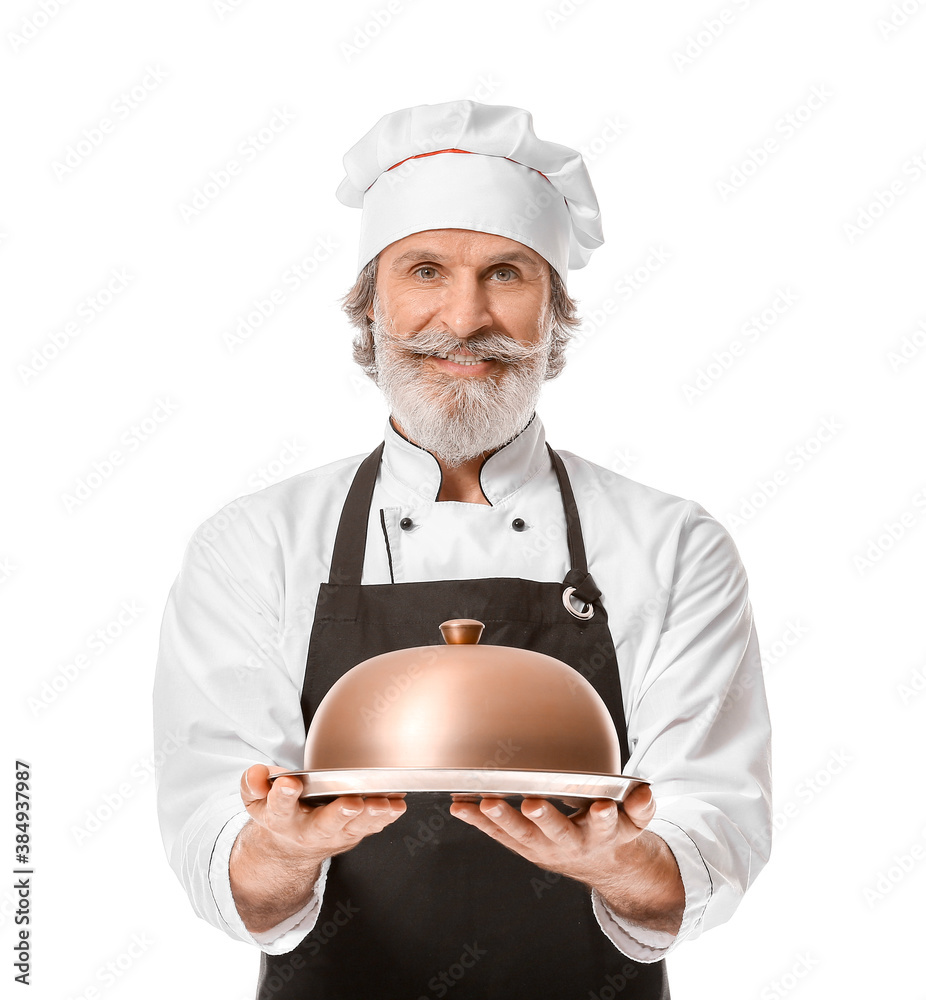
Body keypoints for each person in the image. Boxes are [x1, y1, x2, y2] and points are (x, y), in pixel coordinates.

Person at [153, 100, 772, 999]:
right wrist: (280, 846)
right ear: (371, 304)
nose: (465, 316)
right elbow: (217, 835)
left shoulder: (673, 545)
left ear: (554, 312)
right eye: (426, 269)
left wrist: (623, 858)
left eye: (507, 273)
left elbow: (712, 821)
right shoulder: (253, 545)